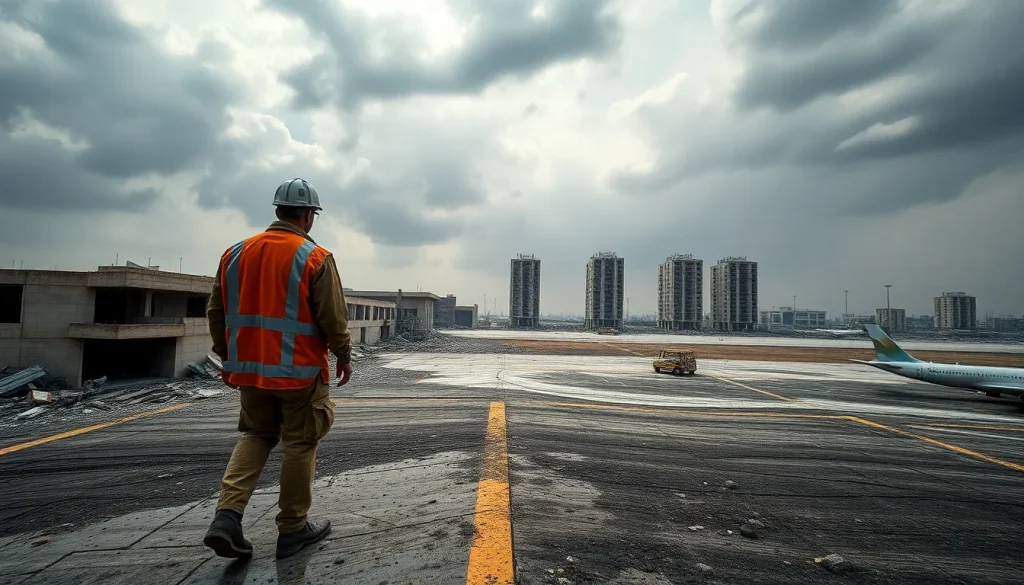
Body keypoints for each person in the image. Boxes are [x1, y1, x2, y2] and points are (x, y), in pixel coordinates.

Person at [203, 178, 353, 560]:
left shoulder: (234, 254)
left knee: (255, 435)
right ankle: (292, 528)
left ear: (276, 211)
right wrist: (344, 355)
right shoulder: (315, 257)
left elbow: (215, 312)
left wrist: (227, 356)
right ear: (308, 216)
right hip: (299, 372)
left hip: (249, 370)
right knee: (300, 443)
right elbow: (334, 318)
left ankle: (227, 518)